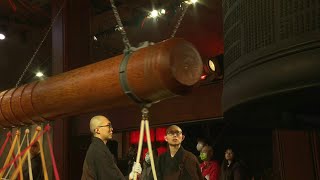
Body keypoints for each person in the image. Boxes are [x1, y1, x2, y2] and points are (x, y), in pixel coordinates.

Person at [81, 115, 142, 180]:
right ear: (97, 130)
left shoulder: (98, 147)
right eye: (108, 126)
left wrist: (131, 175)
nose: (111, 129)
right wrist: (130, 176)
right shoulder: (97, 150)